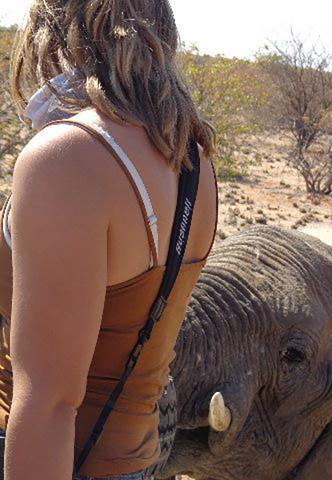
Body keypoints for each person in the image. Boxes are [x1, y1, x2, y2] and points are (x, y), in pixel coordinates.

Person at [0, 1, 218, 479]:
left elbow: (52, 402)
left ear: (55, 23)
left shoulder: (68, 157)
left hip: (49, 461)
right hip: (132, 460)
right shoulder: (193, 158)